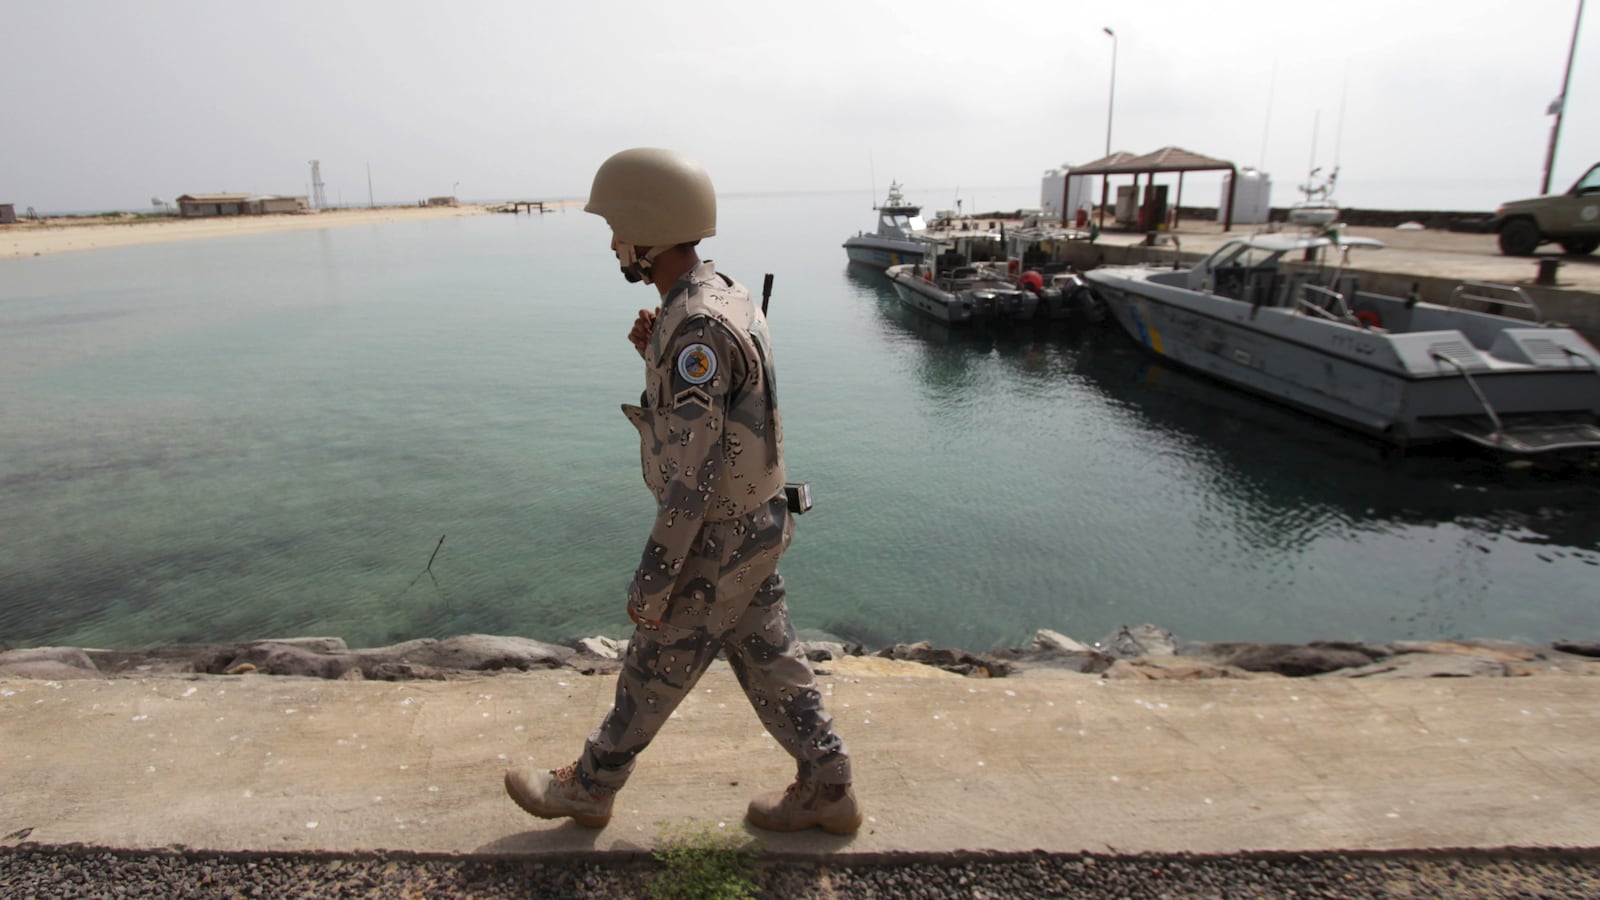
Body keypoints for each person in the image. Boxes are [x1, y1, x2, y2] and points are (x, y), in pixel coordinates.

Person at [503, 148, 859, 835]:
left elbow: (692, 479)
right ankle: (829, 784)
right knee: (770, 660)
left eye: (618, 229)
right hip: (756, 521)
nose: (613, 244)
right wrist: (654, 354)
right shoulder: (716, 295)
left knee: (652, 664)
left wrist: (654, 581)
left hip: (716, 537)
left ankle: (591, 786)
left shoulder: (695, 326)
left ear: (648, 226)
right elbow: (726, 406)